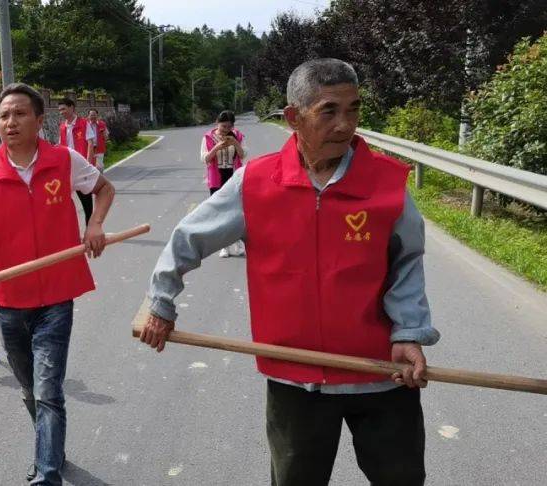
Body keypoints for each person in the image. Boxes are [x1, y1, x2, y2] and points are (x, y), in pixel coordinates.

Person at [139, 59, 440, 486]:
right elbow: (188, 237)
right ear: (294, 117)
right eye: (329, 111)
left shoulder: (386, 183)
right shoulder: (256, 182)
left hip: (380, 374)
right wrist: (160, 302)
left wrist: (409, 332)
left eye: (353, 109)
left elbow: (407, 261)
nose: (345, 124)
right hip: (296, 378)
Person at [0, 83, 116, 485]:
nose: (10, 122)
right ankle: (51, 449)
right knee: (29, 388)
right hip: (10, 299)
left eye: (19, 114)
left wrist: (95, 224)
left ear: (38, 120)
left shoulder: (64, 160)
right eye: (4, 115)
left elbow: (104, 189)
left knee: (48, 389)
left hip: (56, 295)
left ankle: (47, 474)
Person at [202, 110, 246, 257]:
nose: (225, 130)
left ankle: (237, 243)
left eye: (229, 127)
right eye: (223, 126)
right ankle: (224, 246)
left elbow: (243, 155)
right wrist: (216, 147)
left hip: (234, 176)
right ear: (217, 123)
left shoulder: (237, 136)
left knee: (235, 212)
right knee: (220, 213)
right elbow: (205, 158)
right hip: (216, 177)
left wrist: (235, 143)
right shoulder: (208, 137)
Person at [56, 98, 98, 224]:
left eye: (63, 109)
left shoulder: (84, 123)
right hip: (67, 170)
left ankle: (90, 229)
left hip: (81, 168)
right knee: (62, 201)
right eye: (59, 110)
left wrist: (88, 165)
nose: (61, 112)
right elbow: (61, 147)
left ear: (71, 107)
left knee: (86, 204)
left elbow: (90, 144)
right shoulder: (62, 127)